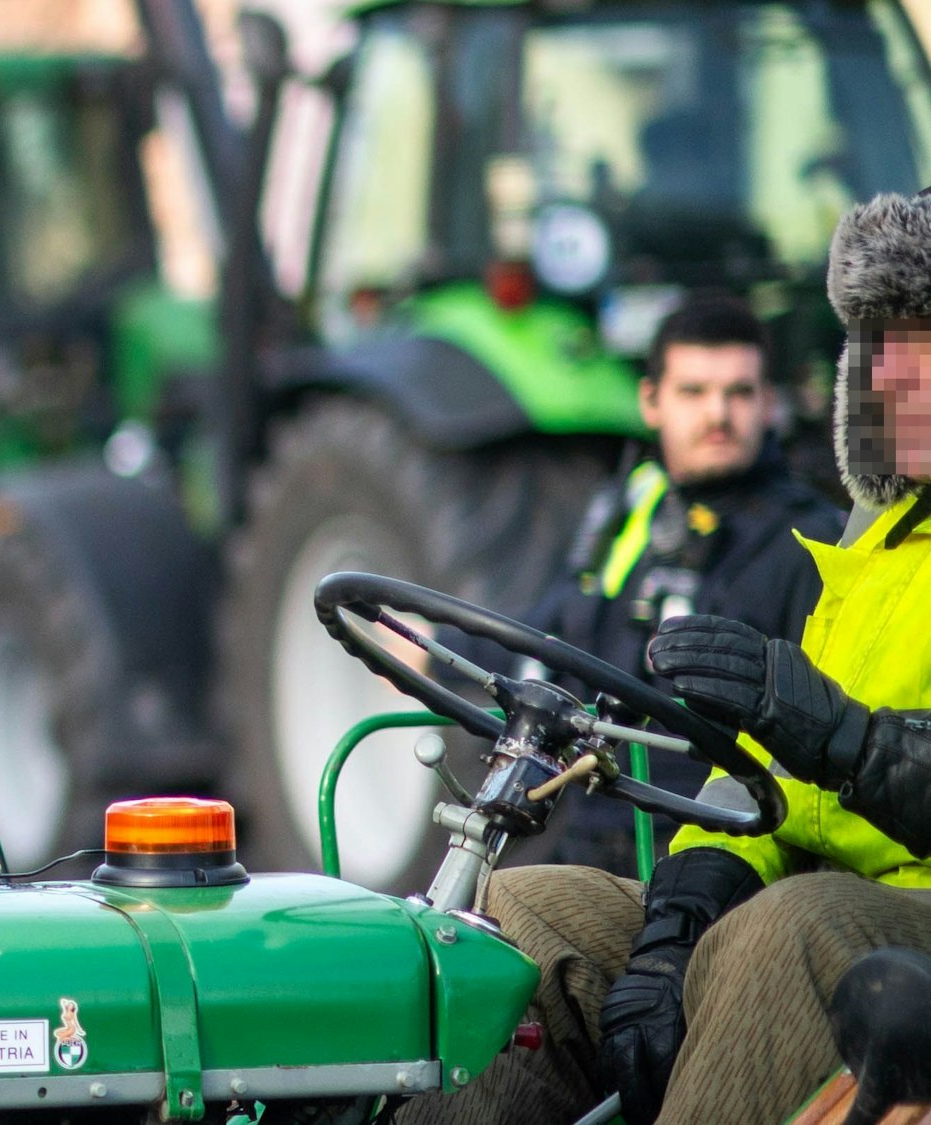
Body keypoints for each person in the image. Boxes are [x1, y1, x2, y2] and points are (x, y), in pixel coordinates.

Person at [397, 192, 931, 1125]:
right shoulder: (871, 545)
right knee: (523, 918)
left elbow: (823, 751)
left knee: (778, 934)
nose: (901, 377)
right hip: (806, 889)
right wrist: (668, 935)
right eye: (886, 347)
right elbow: (760, 785)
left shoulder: (792, 534)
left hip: (892, 913)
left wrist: (843, 739)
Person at [511, 293, 843, 873]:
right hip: (588, 834)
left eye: (739, 393)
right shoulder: (627, 512)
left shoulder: (813, 545)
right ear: (650, 401)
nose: (718, 414)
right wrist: (426, 649)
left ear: (769, 403)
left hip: (713, 856)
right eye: (693, 392)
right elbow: (550, 630)